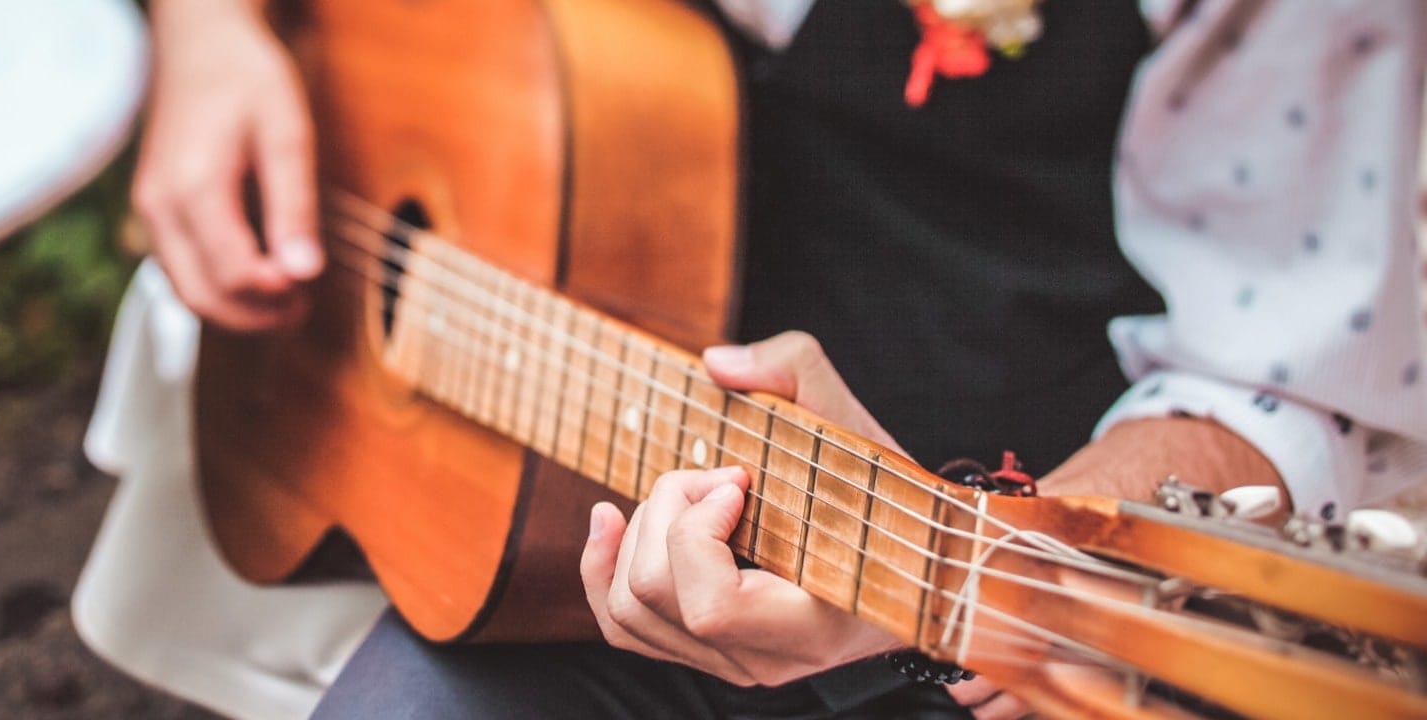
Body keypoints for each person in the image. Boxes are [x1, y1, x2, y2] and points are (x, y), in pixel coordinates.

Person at [83, 0, 1427, 718]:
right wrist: (213, 31)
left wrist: (984, 565)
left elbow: (1278, 370)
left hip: (988, 538)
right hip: (576, 502)